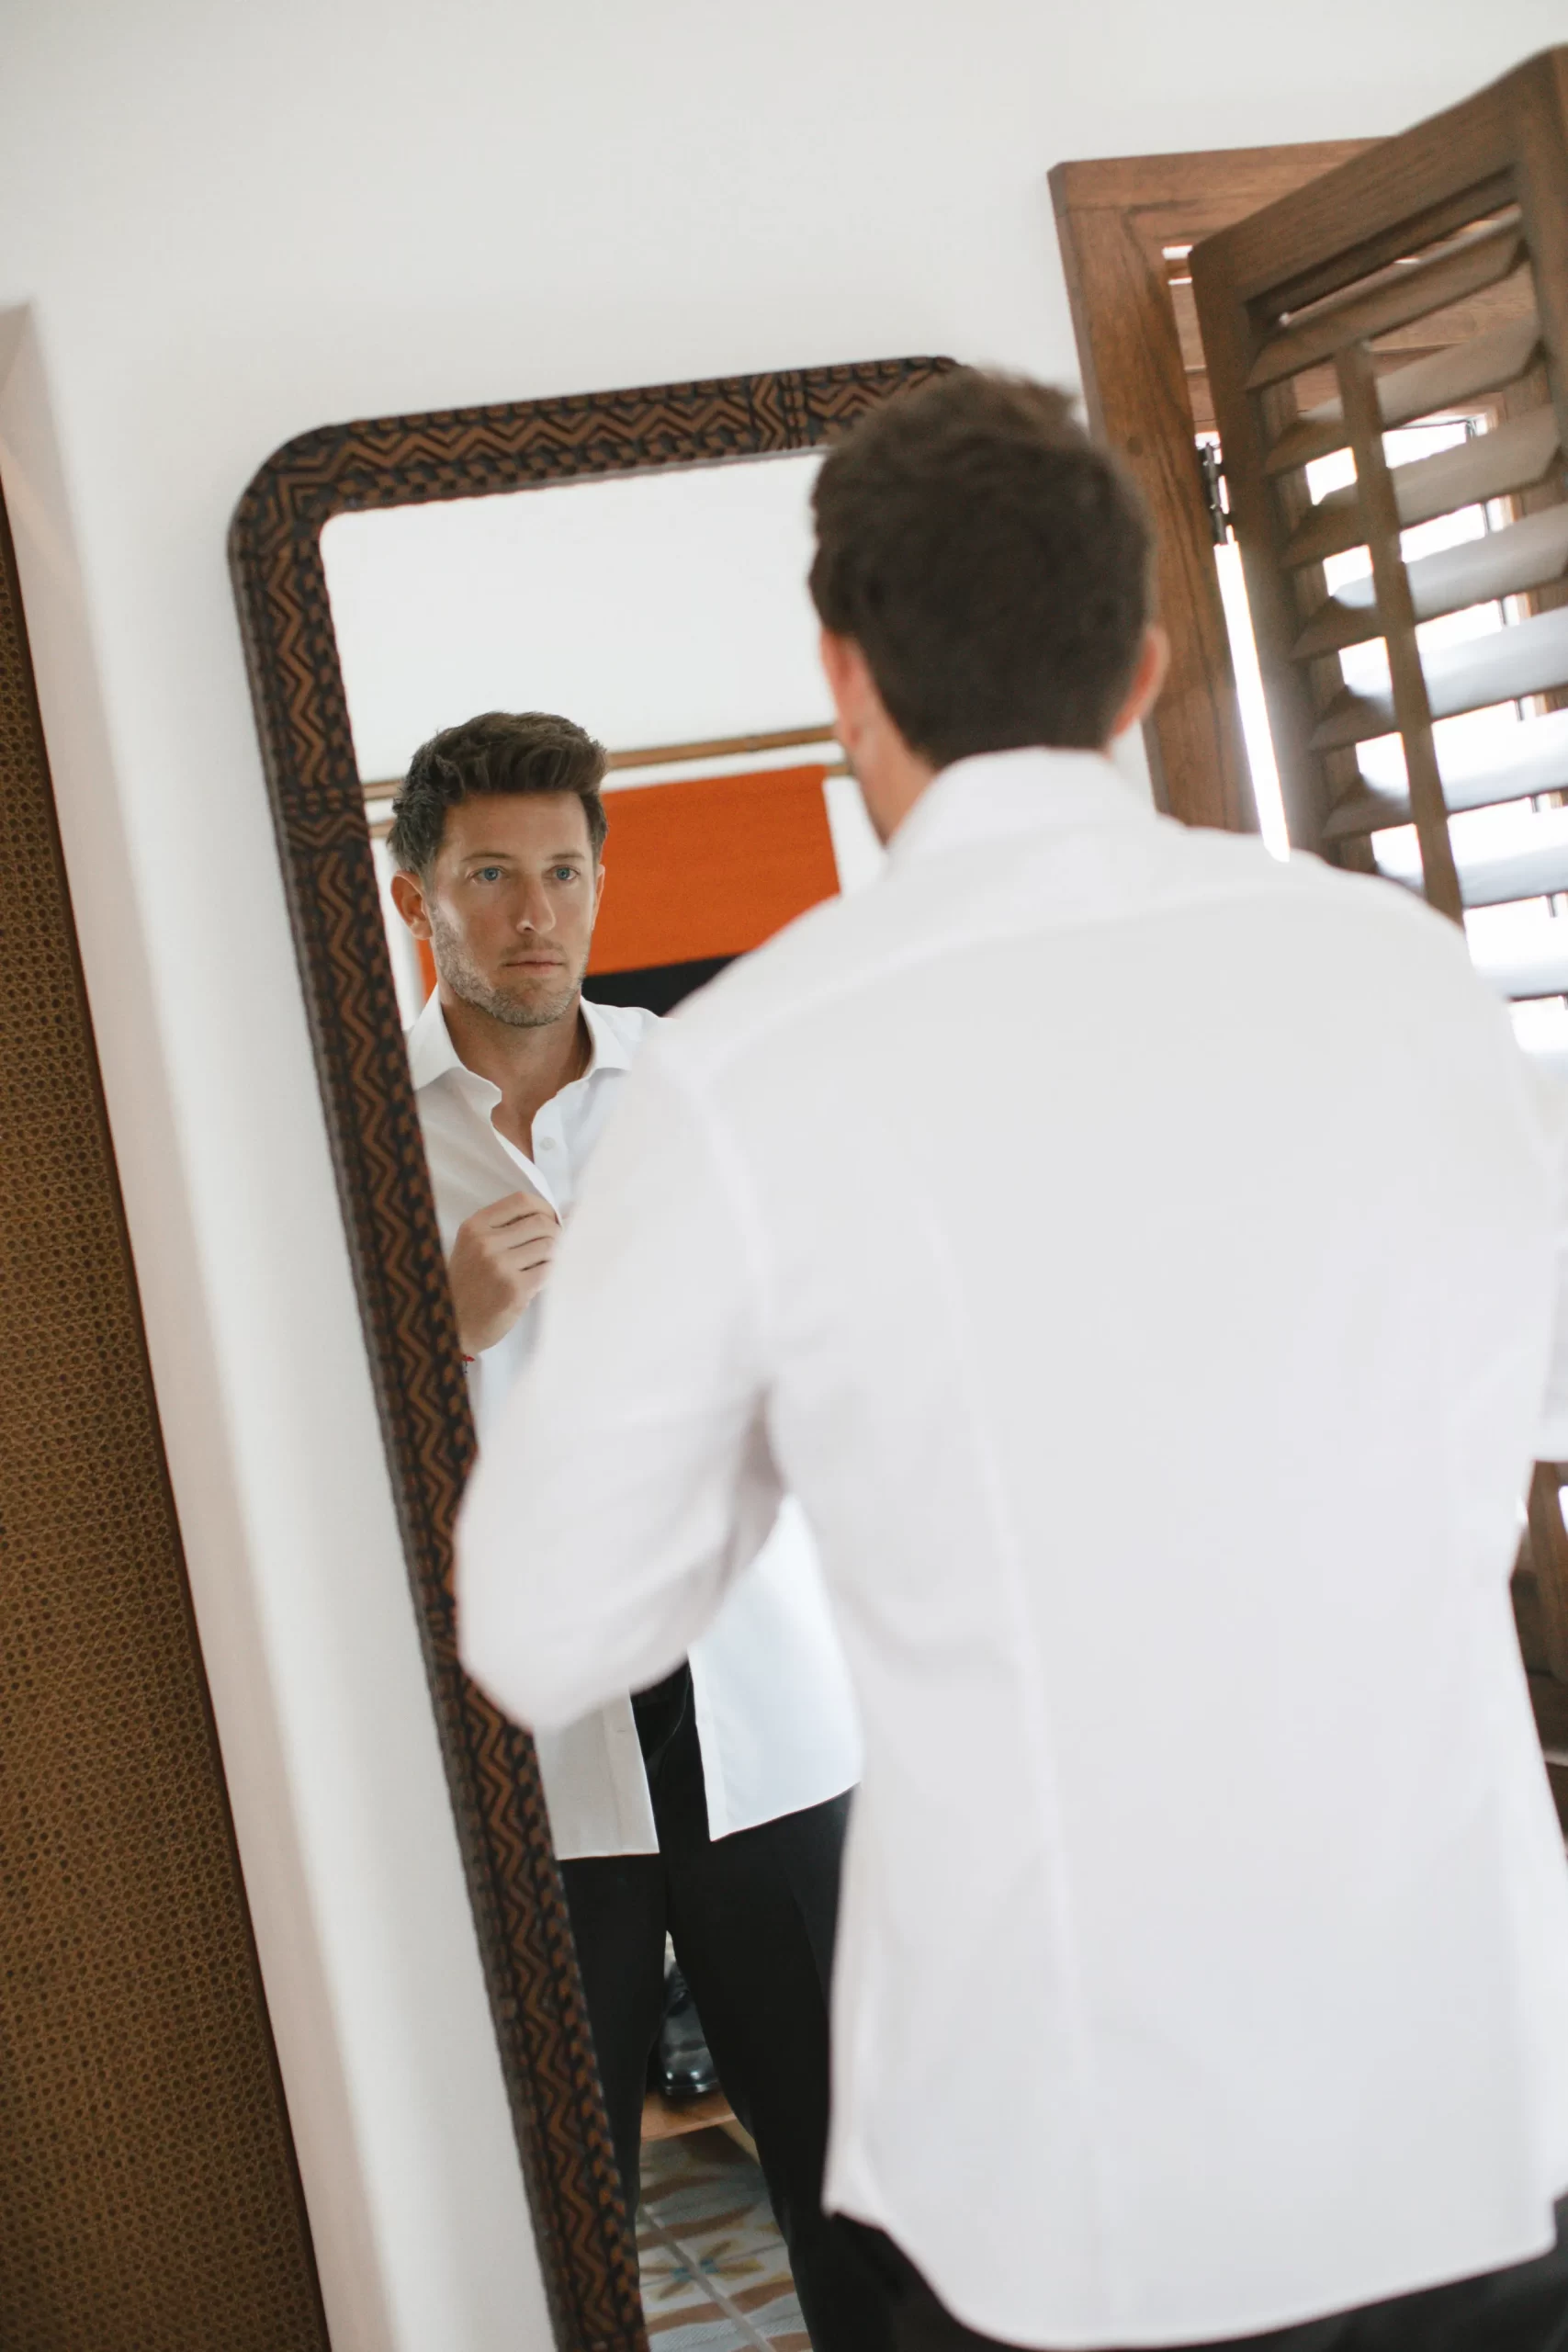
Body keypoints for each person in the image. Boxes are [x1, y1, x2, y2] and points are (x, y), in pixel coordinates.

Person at [456, 371, 1568, 2352]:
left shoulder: (746, 1073)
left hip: (1073, 2166)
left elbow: (545, 1629)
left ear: (844, 675)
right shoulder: (1398, 972)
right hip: (1467, 2087)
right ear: (1138, 666)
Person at [386, 712, 887, 2352]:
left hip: (769, 1723)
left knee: (861, 2192)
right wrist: (435, 1322)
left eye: (562, 871)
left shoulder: (710, 1091)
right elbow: (297, 1447)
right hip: (526, 1773)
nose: (533, 912)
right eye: (489, 876)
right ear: (416, 899)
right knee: (552, 2218)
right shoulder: (354, 1132)